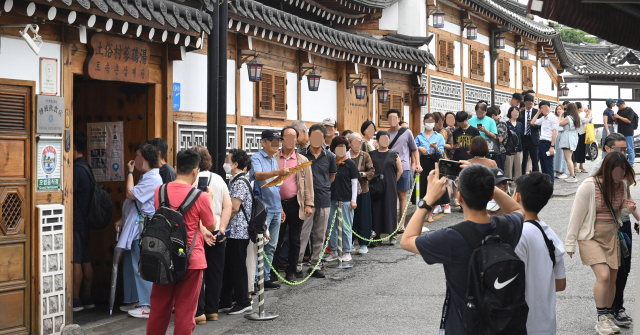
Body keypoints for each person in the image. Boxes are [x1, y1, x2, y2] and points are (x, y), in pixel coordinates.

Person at [400, 162, 525, 335]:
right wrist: (486, 183)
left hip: (464, 327)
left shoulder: (450, 237)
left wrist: (428, 199)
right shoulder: (506, 226)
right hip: (502, 325)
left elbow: (406, 240)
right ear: (490, 196)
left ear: (459, 198)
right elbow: (517, 209)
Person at [146, 149, 216, 335]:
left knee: (159, 310)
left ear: (176, 168)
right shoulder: (200, 196)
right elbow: (211, 226)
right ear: (195, 172)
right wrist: (208, 199)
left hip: (163, 256)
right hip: (191, 259)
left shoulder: (159, 191)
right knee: (186, 313)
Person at [565, 152, 636, 335]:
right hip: (590, 236)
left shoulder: (623, 185)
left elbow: (617, 213)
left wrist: (626, 210)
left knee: (613, 278)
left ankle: (609, 315)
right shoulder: (589, 186)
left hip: (611, 235)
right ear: (607, 169)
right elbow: (576, 216)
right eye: (617, 172)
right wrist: (570, 243)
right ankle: (601, 319)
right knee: (603, 275)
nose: (619, 176)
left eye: (623, 172)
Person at [590, 133, 639, 327]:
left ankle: (616, 308)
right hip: (608, 225)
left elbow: (628, 198)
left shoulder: (623, 168)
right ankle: (612, 310)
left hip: (623, 223)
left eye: (625, 150)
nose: (623, 153)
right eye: (619, 150)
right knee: (614, 271)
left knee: (623, 269)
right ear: (608, 149)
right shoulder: (598, 171)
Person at [512, 172, 567, 334]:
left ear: (518, 197)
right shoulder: (550, 235)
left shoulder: (518, 234)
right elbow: (560, 284)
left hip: (521, 325)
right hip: (546, 324)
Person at [113, 144, 163, 318]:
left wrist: (129, 172)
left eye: (138, 156)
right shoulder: (148, 177)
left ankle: (147, 305)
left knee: (141, 265)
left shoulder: (153, 179)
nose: (135, 159)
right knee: (132, 264)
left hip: (142, 227)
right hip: (135, 225)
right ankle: (135, 300)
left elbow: (130, 194)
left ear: (146, 159)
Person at [192, 146, 231, 325]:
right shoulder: (219, 179)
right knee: (216, 272)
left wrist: (203, 230)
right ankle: (212, 311)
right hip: (217, 231)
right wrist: (222, 227)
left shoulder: (191, 180)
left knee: (198, 272)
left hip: (198, 231)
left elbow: (193, 209)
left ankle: (198, 312)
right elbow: (227, 206)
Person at [273, 126, 314, 282]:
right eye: (286, 136)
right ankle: (273, 272)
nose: (290, 140)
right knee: (277, 239)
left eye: (293, 137)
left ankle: (291, 271)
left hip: (296, 203)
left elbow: (309, 184)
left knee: (295, 239)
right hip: (277, 204)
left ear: (297, 140)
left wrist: (308, 204)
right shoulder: (275, 158)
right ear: (282, 139)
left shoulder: (302, 160)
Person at [249, 130, 288, 290]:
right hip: (262, 209)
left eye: (278, 141)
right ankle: (256, 278)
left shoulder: (273, 159)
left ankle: (265, 277)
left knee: (271, 245)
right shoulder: (256, 158)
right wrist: (278, 172)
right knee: (260, 244)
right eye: (273, 141)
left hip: (275, 206)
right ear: (263, 142)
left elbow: (276, 185)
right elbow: (258, 176)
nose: (277, 144)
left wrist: (281, 207)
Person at [298, 124, 337, 278]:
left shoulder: (330, 156)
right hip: (306, 200)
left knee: (320, 234)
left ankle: (315, 265)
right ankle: (298, 266)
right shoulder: (301, 156)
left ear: (324, 138)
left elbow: (331, 177)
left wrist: (323, 186)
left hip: (323, 198)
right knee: (303, 234)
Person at [218, 149, 254, 315]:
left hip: (239, 231)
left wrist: (221, 223)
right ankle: (225, 300)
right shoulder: (236, 180)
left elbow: (234, 208)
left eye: (228, 160)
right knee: (230, 266)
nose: (225, 162)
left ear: (235, 164)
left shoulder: (239, 182)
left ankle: (243, 301)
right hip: (235, 231)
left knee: (238, 266)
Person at [325, 136, 359, 262]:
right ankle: (333, 250)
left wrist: (353, 200)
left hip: (346, 199)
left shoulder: (350, 164)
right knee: (331, 226)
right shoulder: (330, 162)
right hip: (331, 198)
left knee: (346, 226)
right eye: (338, 147)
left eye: (343, 147)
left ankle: (346, 250)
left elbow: (354, 183)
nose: (341, 150)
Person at [386, 109, 422, 231]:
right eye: (389, 118)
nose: (392, 120)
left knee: (402, 196)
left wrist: (417, 164)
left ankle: (401, 224)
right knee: (391, 196)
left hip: (405, 167)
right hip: (389, 169)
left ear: (398, 119)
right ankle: (394, 223)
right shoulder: (384, 134)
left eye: (394, 118)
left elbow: (415, 149)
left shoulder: (407, 133)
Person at [72, 131, 95, 312]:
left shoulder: (74, 170)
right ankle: (87, 296)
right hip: (86, 221)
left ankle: (76, 299)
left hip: (76, 221)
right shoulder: (87, 168)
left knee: (76, 260)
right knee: (85, 258)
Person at [370, 131, 403, 244]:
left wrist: (393, 181)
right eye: (383, 139)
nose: (385, 141)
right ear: (377, 141)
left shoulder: (394, 154)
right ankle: (377, 234)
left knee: (390, 208)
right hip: (376, 186)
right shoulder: (371, 154)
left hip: (390, 186)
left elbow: (400, 171)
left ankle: (392, 234)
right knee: (376, 208)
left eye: (387, 139)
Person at [415, 113, 447, 222]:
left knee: (434, 188)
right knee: (423, 188)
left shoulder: (439, 136)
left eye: (432, 122)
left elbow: (441, 151)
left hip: (435, 162)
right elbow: (413, 148)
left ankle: (430, 214)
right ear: (424, 122)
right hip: (423, 162)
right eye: (427, 121)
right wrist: (419, 148)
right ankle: (422, 213)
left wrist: (435, 147)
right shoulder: (419, 136)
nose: (429, 124)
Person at [348, 133, 375, 254]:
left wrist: (362, 174)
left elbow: (371, 170)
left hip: (363, 189)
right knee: (349, 218)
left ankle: (364, 243)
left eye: (359, 143)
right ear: (349, 143)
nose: (357, 145)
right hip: (348, 191)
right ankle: (350, 242)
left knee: (364, 217)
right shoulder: (345, 155)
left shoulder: (365, 155)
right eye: (354, 142)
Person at [529, 100, 559, 183]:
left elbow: (555, 132)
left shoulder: (553, 118)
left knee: (548, 167)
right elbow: (532, 122)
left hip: (548, 144)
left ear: (548, 107)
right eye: (541, 108)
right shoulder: (543, 118)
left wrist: (552, 146)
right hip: (541, 143)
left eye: (543, 108)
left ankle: (550, 188)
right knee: (543, 167)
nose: (542, 109)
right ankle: (545, 187)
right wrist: (538, 112)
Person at [433, 112, 454, 214]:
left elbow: (451, 146)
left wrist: (441, 144)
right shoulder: (429, 131)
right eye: (438, 120)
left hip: (445, 159)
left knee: (446, 182)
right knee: (436, 182)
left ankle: (447, 204)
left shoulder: (447, 131)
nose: (440, 122)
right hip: (433, 160)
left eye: (442, 120)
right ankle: (437, 204)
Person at [558, 103, 580, 183]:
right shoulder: (576, 117)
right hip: (573, 137)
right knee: (570, 157)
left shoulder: (568, 118)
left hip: (567, 138)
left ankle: (572, 176)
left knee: (568, 159)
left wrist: (560, 115)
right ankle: (572, 175)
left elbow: (559, 123)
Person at [519, 94, 540, 174]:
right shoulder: (521, 113)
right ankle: (523, 176)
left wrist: (533, 124)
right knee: (523, 160)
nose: (528, 105)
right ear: (524, 103)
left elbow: (540, 125)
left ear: (533, 103)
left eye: (530, 103)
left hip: (533, 139)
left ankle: (536, 177)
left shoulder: (536, 112)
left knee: (535, 160)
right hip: (523, 139)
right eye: (527, 103)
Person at [612, 99, 637, 167]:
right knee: (621, 150)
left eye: (619, 105)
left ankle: (631, 164)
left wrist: (619, 116)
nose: (618, 107)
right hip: (620, 133)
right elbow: (617, 122)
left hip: (628, 133)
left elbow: (629, 120)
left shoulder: (629, 110)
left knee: (630, 149)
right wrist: (615, 119)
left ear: (623, 103)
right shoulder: (619, 111)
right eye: (617, 106)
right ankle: (623, 164)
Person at [504, 106, 523, 180]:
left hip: (519, 148)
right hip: (509, 149)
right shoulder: (506, 124)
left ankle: (518, 184)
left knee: (518, 168)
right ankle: (508, 184)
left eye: (517, 112)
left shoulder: (520, 124)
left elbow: (522, 136)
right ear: (510, 113)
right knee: (508, 168)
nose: (516, 113)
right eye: (514, 112)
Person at [573, 102, 593, 173]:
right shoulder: (576, 116)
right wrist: (590, 113)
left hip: (582, 134)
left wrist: (587, 114)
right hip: (578, 134)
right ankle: (575, 166)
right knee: (577, 150)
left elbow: (584, 121)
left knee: (582, 150)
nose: (583, 108)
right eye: (582, 107)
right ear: (579, 108)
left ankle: (581, 166)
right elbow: (588, 120)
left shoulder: (579, 116)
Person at [554, 105, 569, 179]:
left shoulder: (565, 118)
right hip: (555, 135)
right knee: (556, 154)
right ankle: (557, 170)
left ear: (563, 110)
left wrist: (560, 117)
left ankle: (564, 171)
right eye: (557, 109)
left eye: (560, 109)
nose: (558, 110)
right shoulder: (554, 117)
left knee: (562, 154)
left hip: (562, 134)